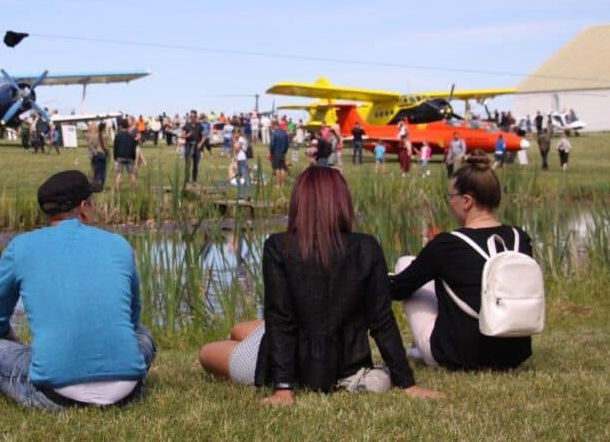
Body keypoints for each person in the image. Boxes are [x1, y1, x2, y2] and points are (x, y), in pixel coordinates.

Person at [198, 167, 441, 405]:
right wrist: (407, 382)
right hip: (347, 361)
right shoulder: (366, 247)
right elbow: (382, 320)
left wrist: (283, 387)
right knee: (240, 329)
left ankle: (245, 350)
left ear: (299, 204)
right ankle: (245, 343)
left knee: (207, 352)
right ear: (342, 204)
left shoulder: (279, 246)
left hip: (293, 362)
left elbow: (280, 318)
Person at [0, 170, 156, 410]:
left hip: (55, 395)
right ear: (84, 207)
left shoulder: (20, 247)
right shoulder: (118, 244)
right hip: (127, 388)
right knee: (143, 335)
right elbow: (132, 319)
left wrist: (18, 346)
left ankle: (55, 364)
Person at [390, 152, 534, 372]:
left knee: (405, 262)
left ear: (466, 201)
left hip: (460, 355)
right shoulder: (519, 238)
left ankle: (421, 350)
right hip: (515, 353)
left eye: (451, 195)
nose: (450, 201)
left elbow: (399, 290)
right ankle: (419, 348)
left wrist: (370, 277)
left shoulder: (448, 244)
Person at [113, 118, 138, 190]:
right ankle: (133, 190)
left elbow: (115, 148)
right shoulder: (131, 136)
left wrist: (115, 159)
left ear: (121, 126)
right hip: (130, 157)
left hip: (120, 157)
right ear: (128, 126)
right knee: (132, 174)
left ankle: (117, 190)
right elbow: (133, 148)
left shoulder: (117, 136)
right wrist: (134, 157)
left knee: (119, 174)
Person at [182, 110, 205, 184]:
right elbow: (182, 136)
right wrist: (187, 135)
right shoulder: (187, 125)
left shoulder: (199, 125)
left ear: (196, 117)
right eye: (190, 116)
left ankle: (194, 181)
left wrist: (200, 144)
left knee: (195, 165)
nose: (192, 118)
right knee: (187, 165)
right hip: (188, 146)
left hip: (196, 147)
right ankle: (187, 181)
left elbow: (204, 136)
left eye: (193, 116)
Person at [268, 120, 289, 186]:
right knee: (282, 168)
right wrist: (285, 151)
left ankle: (277, 184)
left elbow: (272, 144)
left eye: (272, 126)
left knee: (277, 168)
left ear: (274, 125)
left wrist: (271, 152)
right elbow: (287, 144)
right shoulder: (284, 133)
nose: (271, 127)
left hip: (276, 153)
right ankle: (282, 184)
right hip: (282, 153)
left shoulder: (274, 134)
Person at [89, 121, 109, 189]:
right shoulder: (105, 135)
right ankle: (101, 186)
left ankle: (93, 185)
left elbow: (91, 144)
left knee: (96, 171)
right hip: (103, 154)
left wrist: (94, 152)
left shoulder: (95, 135)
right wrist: (107, 152)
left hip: (96, 154)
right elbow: (105, 146)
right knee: (103, 171)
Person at [234, 132, 251, 201]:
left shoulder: (241, 139)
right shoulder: (243, 139)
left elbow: (238, 148)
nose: (234, 134)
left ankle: (248, 195)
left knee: (244, 177)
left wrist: (234, 143)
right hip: (241, 159)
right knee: (240, 178)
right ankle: (241, 196)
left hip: (242, 159)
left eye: (235, 133)